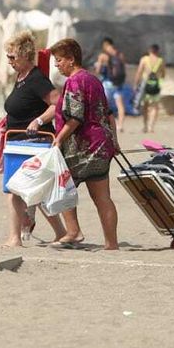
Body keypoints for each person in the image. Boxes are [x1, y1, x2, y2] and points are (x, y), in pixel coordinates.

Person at [47, 38, 120, 250]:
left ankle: (73, 231)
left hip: (82, 147)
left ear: (71, 59)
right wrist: (114, 141)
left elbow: (75, 117)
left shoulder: (74, 81)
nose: (56, 65)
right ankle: (111, 244)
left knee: (61, 185)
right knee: (103, 198)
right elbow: (108, 114)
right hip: (101, 145)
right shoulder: (94, 80)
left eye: (59, 60)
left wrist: (58, 139)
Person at [2, 30, 67, 248]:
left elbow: (57, 103)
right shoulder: (20, 78)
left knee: (14, 191)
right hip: (17, 143)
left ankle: (15, 238)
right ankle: (60, 232)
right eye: (8, 56)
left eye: (12, 57)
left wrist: (38, 121)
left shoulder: (36, 78)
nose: (9, 61)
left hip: (32, 144)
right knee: (31, 192)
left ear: (25, 56)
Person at [94, 38, 127, 135]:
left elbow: (98, 71)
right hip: (118, 83)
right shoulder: (120, 55)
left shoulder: (103, 56)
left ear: (105, 45)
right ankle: (120, 126)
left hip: (107, 83)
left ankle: (104, 124)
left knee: (104, 104)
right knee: (120, 105)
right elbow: (123, 69)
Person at [134, 43, 166, 133]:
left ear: (149, 50)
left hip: (145, 85)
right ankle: (151, 127)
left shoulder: (144, 59)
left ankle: (145, 126)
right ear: (158, 51)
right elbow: (163, 74)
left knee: (145, 106)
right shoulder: (160, 61)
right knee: (155, 107)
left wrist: (135, 84)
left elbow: (139, 72)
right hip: (155, 85)